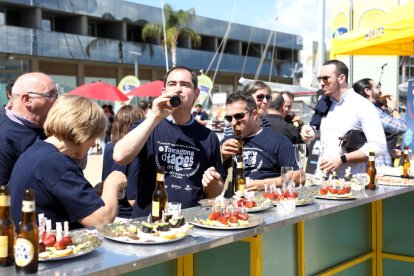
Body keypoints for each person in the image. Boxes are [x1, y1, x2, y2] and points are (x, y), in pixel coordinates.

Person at [113, 66, 225, 218]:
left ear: (196, 94)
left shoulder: (208, 137)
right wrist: (154, 116)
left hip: (192, 223)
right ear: (163, 91)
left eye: (185, 85)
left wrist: (213, 184)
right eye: (172, 84)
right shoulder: (148, 125)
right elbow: (120, 156)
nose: (178, 89)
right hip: (149, 222)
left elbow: (216, 192)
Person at [9, 95, 127, 229]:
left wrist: (95, 193)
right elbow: (101, 219)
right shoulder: (56, 164)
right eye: (94, 136)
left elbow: (59, 197)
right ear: (83, 131)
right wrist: (112, 183)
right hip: (48, 246)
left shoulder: (36, 151)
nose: (94, 144)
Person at [301, 60, 387, 177]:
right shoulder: (324, 103)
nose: (321, 83)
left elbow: (379, 146)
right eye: (319, 79)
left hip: (352, 183)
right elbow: (314, 129)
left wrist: (343, 158)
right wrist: (307, 129)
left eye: (326, 78)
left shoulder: (363, 105)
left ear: (341, 78)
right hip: (323, 180)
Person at [221, 91, 303, 190]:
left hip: (265, 201)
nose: (233, 123)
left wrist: (265, 184)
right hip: (232, 201)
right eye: (229, 118)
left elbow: (299, 177)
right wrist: (221, 156)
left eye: (239, 116)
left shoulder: (277, 141)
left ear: (254, 114)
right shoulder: (226, 143)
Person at [0, 72, 57, 185]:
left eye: (57, 95)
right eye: (50, 95)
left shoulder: (48, 128)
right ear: (27, 100)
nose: (56, 101)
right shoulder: (4, 136)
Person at [102, 105, 145, 219]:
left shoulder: (109, 147)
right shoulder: (136, 153)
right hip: (129, 216)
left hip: (110, 208)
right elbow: (133, 199)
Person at [352, 78, 407, 167]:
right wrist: (393, 109)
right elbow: (401, 127)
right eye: (377, 88)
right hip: (378, 167)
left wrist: (388, 151)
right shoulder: (371, 110)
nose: (380, 91)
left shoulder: (358, 108)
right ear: (367, 91)